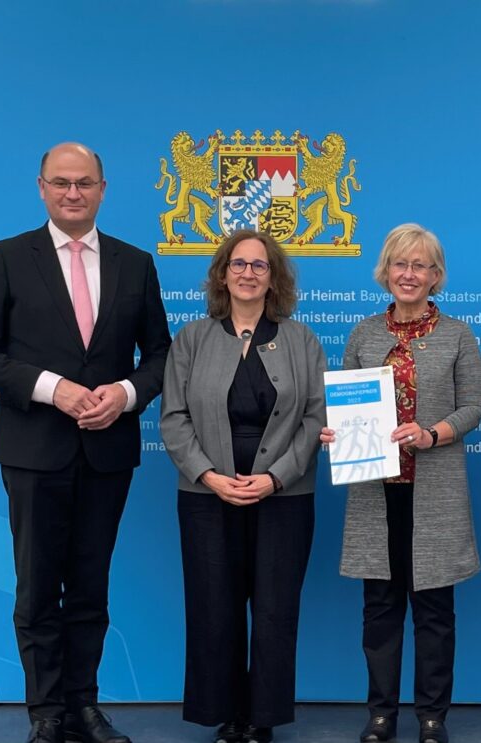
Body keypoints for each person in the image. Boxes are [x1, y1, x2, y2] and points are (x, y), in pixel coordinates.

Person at [0, 143, 171, 743]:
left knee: (91, 587)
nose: (72, 193)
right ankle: (46, 712)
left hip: (107, 453)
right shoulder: (5, 258)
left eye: (84, 183)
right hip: (33, 451)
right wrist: (55, 390)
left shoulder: (135, 263)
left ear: (103, 189)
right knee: (37, 585)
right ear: (42, 188)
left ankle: (84, 705)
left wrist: (124, 395)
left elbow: (160, 355)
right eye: (61, 183)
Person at [159, 229, 326, 743]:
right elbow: (173, 418)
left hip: (284, 496)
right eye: (238, 264)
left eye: (259, 265)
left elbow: (314, 420)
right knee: (214, 607)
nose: (248, 273)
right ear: (222, 274)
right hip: (207, 496)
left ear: (273, 277)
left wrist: (275, 478)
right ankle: (226, 713)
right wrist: (210, 477)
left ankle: (263, 717)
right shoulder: (192, 338)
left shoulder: (302, 340)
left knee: (276, 609)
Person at [321, 224, 481, 743]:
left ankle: (432, 716)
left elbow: (474, 407)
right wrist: (335, 431)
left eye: (421, 266)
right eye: (400, 264)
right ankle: (381, 714)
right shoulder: (364, 333)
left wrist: (432, 432)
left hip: (433, 490)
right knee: (380, 607)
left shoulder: (458, 334)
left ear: (436, 276)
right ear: (385, 271)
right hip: (376, 490)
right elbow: (342, 402)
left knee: (434, 609)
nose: (409, 274)